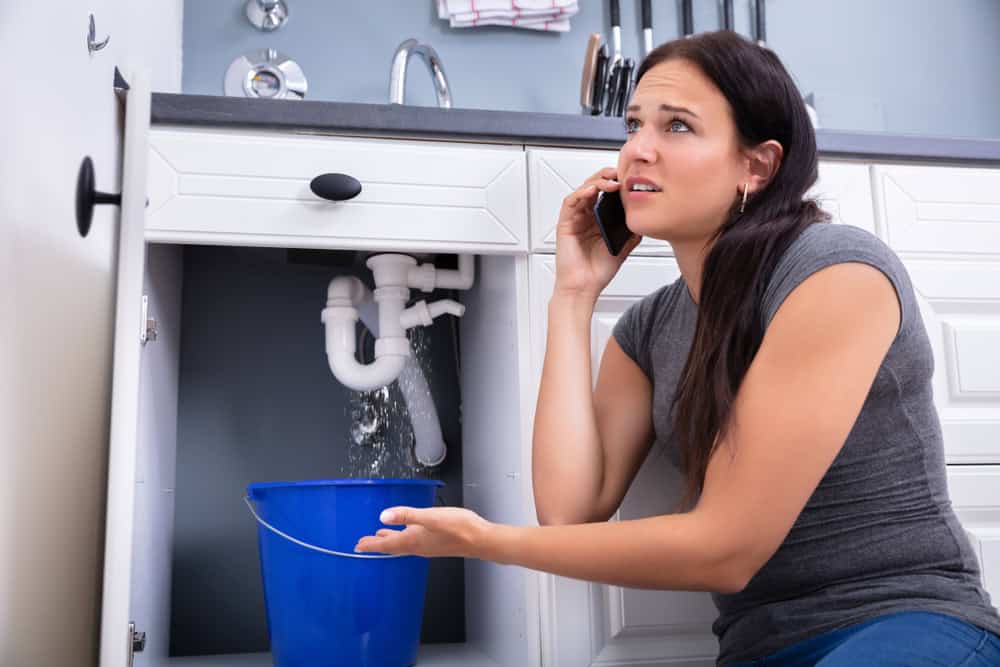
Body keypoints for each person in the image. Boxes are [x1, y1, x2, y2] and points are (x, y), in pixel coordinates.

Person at [355, 30, 1000, 665]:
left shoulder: (835, 272)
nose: (639, 149)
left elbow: (728, 547)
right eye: (634, 125)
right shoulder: (649, 329)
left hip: (907, 623)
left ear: (757, 165)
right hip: (759, 649)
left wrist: (488, 543)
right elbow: (570, 509)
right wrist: (572, 294)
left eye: (678, 127)